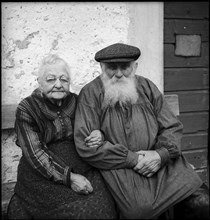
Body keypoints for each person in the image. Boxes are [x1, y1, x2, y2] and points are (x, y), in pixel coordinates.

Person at [74, 43, 209, 219]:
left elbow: (171, 126)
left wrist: (161, 155)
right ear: (101, 68)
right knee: (140, 211)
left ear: (135, 67)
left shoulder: (147, 87)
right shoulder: (90, 93)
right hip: (120, 166)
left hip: (162, 163)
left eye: (125, 67)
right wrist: (133, 158)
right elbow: (87, 145)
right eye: (112, 68)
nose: (119, 73)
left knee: (203, 202)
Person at [7, 54, 117, 219]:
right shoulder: (27, 108)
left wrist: (98, 133)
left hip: (85, 168)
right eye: (51, 79)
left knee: (106, 204)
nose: (58, 85)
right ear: (39, 82)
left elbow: (96, 123)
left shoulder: (78, 100)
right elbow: (34, 153)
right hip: (42, 174)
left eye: (64, 80)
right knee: (79, 211)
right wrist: (69, 178)